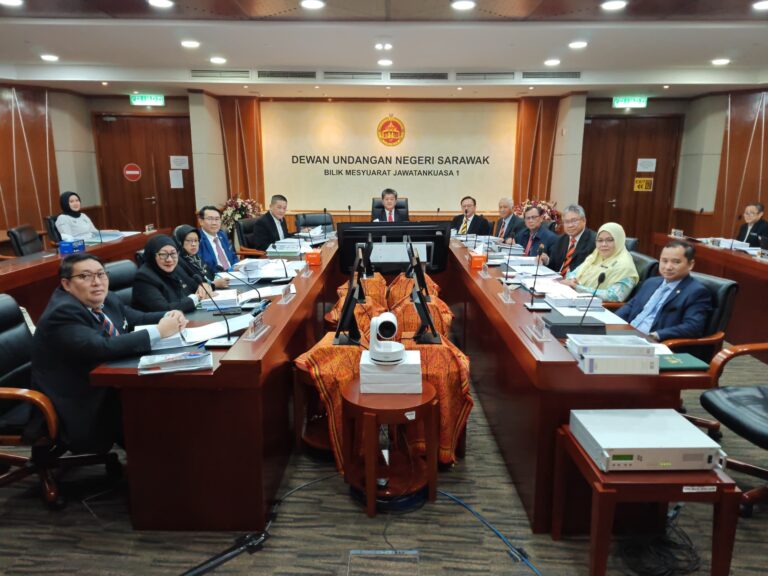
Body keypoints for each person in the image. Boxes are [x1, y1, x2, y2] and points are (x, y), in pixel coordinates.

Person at [31, 253, 187, 454]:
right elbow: (101, 347)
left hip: (103, 379)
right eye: (85, 276)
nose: (97, 282)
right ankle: (154, 462)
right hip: (78, 396)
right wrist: (159, 331)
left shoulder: (106, 298)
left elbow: (135, 318)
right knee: (151, 402)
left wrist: (169, 315)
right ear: (66, 284)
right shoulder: (63, 312)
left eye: (101, 274)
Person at [617, 240, 712, 341]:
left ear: (690, 265)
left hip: (652, 342)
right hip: (626, 334)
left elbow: (693, 327)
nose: (668, 267)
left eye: (676, 262)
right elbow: (630, 306)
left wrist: (657, 335)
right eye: (664, 261)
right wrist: (611, 322)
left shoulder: (696, 292)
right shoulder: (651, 282)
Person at [561, 222, 639, 302]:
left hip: (598, 306)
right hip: (577, 299)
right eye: (600, 240)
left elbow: (615, 296)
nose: (603, 244)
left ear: (619, 240)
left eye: (609, 240)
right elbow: (575, 272)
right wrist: (572, 279)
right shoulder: (596, 256)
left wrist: (578, 288)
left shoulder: (625, 266)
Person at [132, 235, 208, 313]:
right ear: (152, 255)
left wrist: (204, 287)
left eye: (173, 253)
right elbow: (164, 309)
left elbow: (194, 286)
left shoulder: (175, 268)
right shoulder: (144, 278)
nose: (169, 259)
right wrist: (196, 298)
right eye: (163, 254)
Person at [541, 204, 596, 276]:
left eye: (574, 221)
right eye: (566, 222)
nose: (570, 225)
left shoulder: (594, 241)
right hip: (556, 280)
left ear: (584, 221)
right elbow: (554, 266)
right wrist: (547, 261)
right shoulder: (560, 240)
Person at [175, 225, 229, 289]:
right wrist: (214, 285)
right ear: (180, 242)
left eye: (196, 240)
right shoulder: (178, 262)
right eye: (189, 240)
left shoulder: (197, 258)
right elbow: (191, 287)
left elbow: (210, 276)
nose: (194, 244)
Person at [197, 206, 238, 273]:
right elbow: (203, 266)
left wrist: (237, 266)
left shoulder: (222, 235)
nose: (214, 223)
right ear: (201, 221)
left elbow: (233, 256)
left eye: (217, 219)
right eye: (210, 219)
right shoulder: (197, 239)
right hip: (216, 276)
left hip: (233, 273)